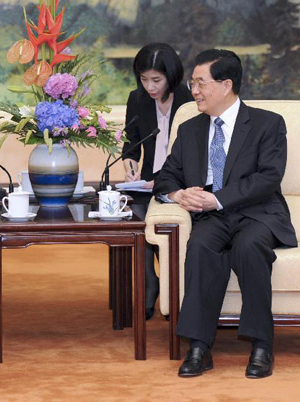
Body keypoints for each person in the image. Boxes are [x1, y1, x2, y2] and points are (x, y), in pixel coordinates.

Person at [153, 49, 297, 378]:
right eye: (192, 83)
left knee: (248, 248)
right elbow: (166, 177)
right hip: (211, 219)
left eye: (200, 83)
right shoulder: (189, 130)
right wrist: (178, 193)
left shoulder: (267, 124)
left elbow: (268, 177)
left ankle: (262, 345)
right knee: (201, 247)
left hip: (257, 213)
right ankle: (199, 347)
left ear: (226, 84)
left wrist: (217, 200)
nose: (194, 90)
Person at [122, 43, 193, 320]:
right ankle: (149, 282)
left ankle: (171, 287)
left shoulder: (189, 100)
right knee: (134, 220)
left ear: (171, 76)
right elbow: (130, 142)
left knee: (167, 229)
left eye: (156, 80)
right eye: (143, 79)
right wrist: (130, 166)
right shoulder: (137, 99)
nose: (149, 87)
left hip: (181, 183)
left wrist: (164, 181)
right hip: (147, 183)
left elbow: (193, 153)